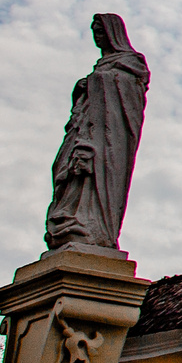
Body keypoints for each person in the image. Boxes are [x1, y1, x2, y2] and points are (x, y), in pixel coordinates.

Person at [45, 14, 148, 253]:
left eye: (100, 31)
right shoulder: (102, 66)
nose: (97, 37)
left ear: (113, 33)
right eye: (94, 32)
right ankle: (69, 221)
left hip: (106, 137)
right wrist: (84, 87)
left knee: (95, 174)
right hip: (82, 129)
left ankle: (92, 227)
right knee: (64, 171)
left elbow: (129, 96)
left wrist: (96, 82)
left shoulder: (131, 62)